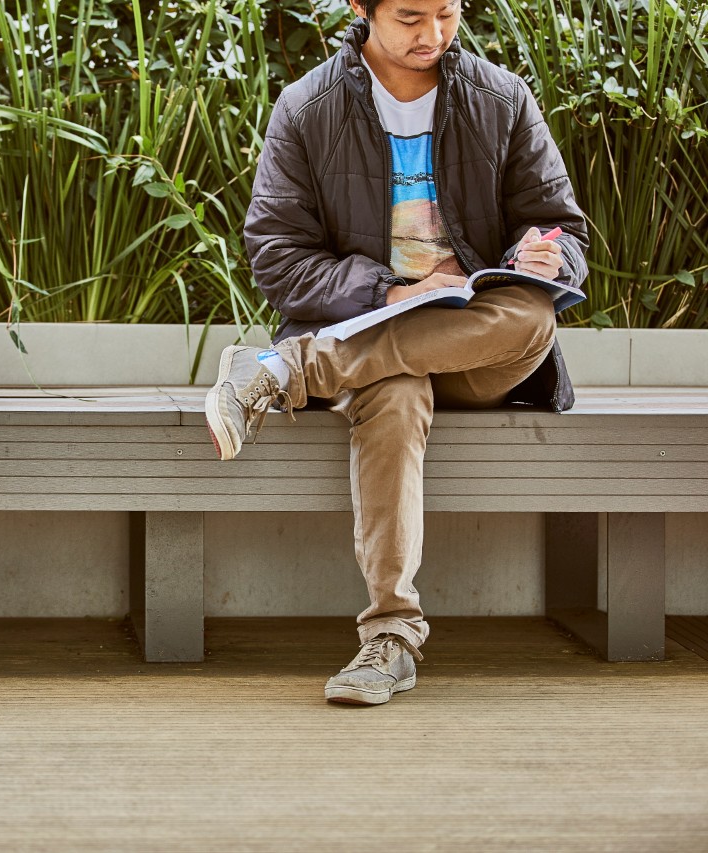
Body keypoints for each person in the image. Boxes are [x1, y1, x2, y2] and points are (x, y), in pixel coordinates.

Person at [205, 0, 588, 704]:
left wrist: (542, 255)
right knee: (394, 383)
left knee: (533, 315)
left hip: (477, 347)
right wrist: (391, 291)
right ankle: (391, 638)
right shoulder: (307, 108)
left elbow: (564, 229)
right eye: (411, 16)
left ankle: (286, 370)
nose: (433, 35)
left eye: (448, 13)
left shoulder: (501, 99)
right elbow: (277, 259)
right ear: (361, 7)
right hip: (372, 339)